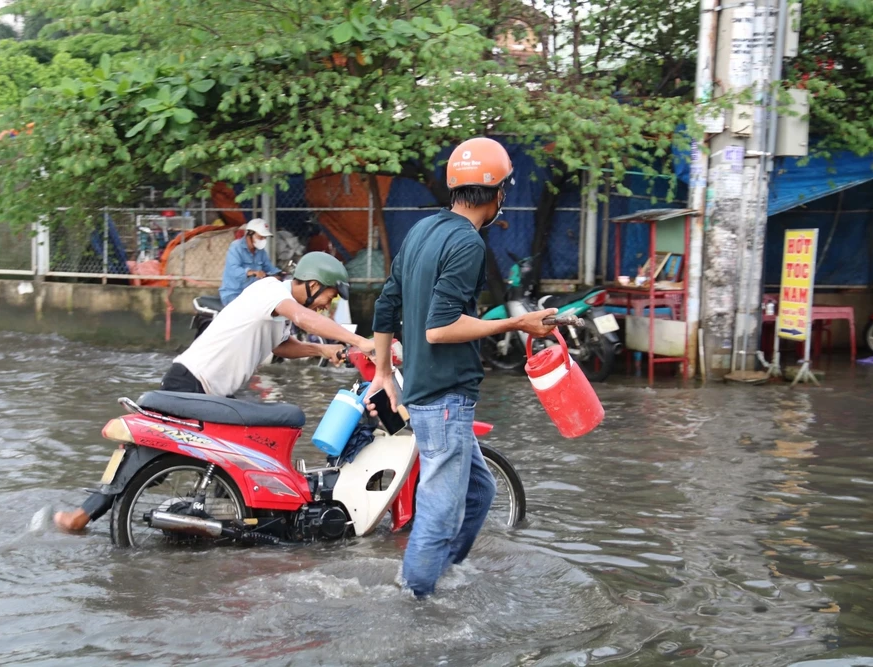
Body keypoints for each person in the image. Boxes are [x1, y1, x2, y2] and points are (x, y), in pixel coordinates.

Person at [54, 252, 375, 532]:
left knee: (238, 458)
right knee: (150, 457)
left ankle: (226, 526)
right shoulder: (271, 291)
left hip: (215, 394)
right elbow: (304, 317)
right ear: (313, 284)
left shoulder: (279, 312)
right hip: (191, 382)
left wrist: (323, 351)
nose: (327, 305)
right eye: (328, 297)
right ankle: (83, 515)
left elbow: (280, 346)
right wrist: (360, 341)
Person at [365, 137, 558, 598]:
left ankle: (438, 573)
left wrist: (383, 374)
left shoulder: (423, 230)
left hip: (426, 387)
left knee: (480, 494)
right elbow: (440, 328)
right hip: (445, 395)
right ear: (498, 193)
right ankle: (413, 597)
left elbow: (387, 302)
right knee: (441, 508)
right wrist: (518, 322)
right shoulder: (468, 243)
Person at [219, 218, 281, 306]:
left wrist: (280, 274)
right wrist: (253, 272)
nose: (263, 240)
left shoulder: (260, 251)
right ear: (250, 234)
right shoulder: (236, 247)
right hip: (234, 294)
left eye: (264, 238)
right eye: (260, 237)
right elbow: (234, 270)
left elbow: (269, 267)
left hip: (252, 294)